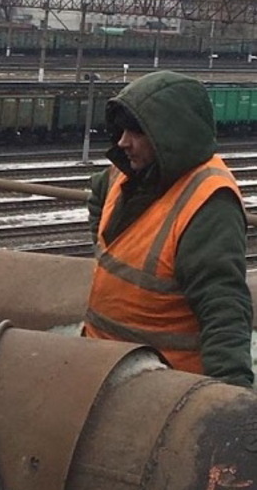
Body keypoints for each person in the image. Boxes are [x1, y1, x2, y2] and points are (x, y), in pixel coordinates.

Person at [85, 70, 253, 388]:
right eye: (121, 130)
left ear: (169, 136)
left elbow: (224, 306)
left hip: (161, 387)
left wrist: (230, 397)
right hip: (104, 366)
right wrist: (104, 246)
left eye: (136, 132)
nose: (123, 142)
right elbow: (98, 193)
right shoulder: (130, 172)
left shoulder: (208, 203)